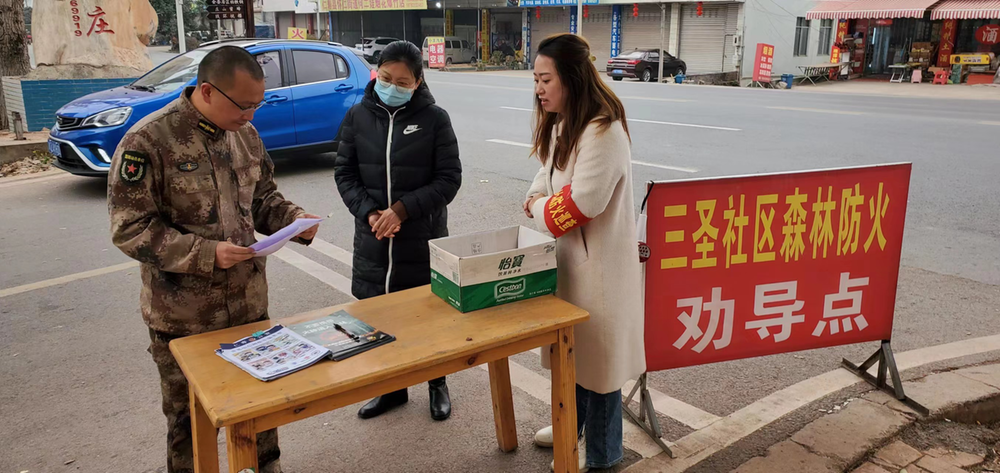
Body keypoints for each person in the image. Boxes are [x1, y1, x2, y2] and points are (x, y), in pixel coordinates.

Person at [108, 46, 320, 473]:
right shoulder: (148, 140)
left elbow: (263, 199)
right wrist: (206, 254)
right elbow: (130, 229)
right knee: (189, 419)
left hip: (247, 304)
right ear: (207, 90)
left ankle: (266, 466)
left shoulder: (246, 136)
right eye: (244, 105)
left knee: (261, 402)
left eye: (258, 105)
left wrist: (294, 219)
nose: (251, 116)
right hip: (184, 319)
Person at [522, 33, 645, 472]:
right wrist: (541, 200)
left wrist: (537, 206)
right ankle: (566, 430)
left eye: (545, 78)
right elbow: (544, 175)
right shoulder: (563, 121)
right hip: (572, 270)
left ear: (571, 78)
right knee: (571, 358)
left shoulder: (604, 130)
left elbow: (572, 210)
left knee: (601, 371)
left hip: (601, 277)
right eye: (535, 79)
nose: (538, 88)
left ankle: (603, 457)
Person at [334, 40, 462, 421]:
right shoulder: (358, 116)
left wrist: (402, 210)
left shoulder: (435, 119)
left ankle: (436, 384)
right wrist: (371, 213)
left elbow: (449, 180)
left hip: (420, 238)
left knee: (427, 318)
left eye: (401, 81)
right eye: (385, 77)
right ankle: (390, 388)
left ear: (418, 81)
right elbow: (345, 173)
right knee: (378, 316)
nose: (391, 85)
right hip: (373, 239)